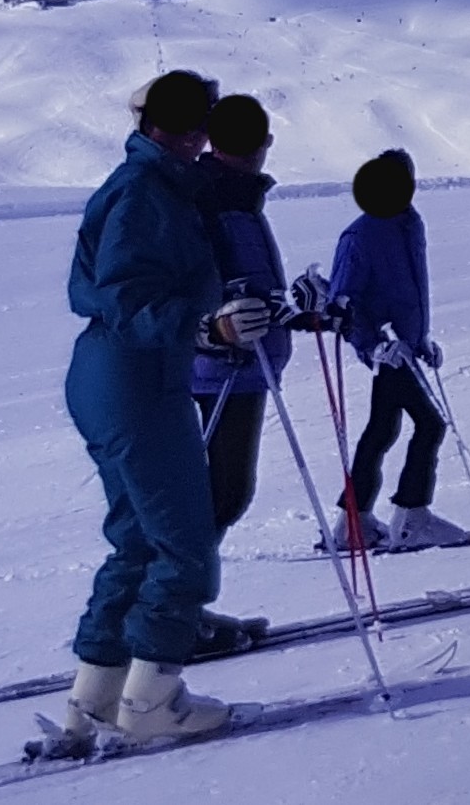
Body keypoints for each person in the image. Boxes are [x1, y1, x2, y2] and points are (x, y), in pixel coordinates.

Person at [59, 70, 273, 746]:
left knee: (139, 540)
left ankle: (94, 699)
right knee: (184, 547)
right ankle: (153, 704)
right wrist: (206, 327)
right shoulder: (147, 193)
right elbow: (126, 297)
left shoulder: (151, 183)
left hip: (116, 377)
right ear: (189, 130)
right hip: (137, 380)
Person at [326, 149, 470, 550]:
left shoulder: (409, 225)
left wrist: (421, 340)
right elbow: (343, 300)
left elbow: (407, 290)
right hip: (388, 353)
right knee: (430, 425)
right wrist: (374, 345)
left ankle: (352, 524)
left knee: (381, 431)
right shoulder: (361, 235)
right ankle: (412, 518)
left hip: (405, 349)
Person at [189, 93, 291, 654]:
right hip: (223, 368)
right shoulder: (216, 199)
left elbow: (250, 283)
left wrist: (292, 307)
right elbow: (205, 284)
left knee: (222, 493)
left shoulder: (237, 197)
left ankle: (183, 609)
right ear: (262, 144)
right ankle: (174, 614)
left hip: (240, 363)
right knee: (221, 495)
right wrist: (215, 327)